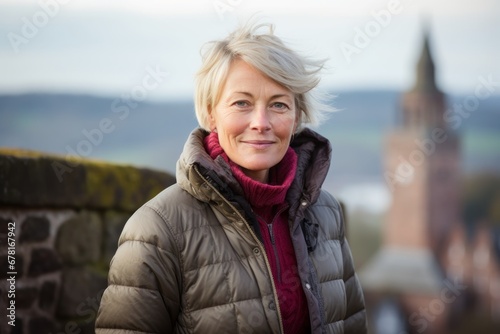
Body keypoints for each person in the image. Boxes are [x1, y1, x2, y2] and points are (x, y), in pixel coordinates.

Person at [95, 19, 367, 334]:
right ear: (211, 112)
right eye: (242, 103)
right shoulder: (158, 228)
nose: (261, 122)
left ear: (296, 118)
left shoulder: (326, 213)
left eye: (278, 104)